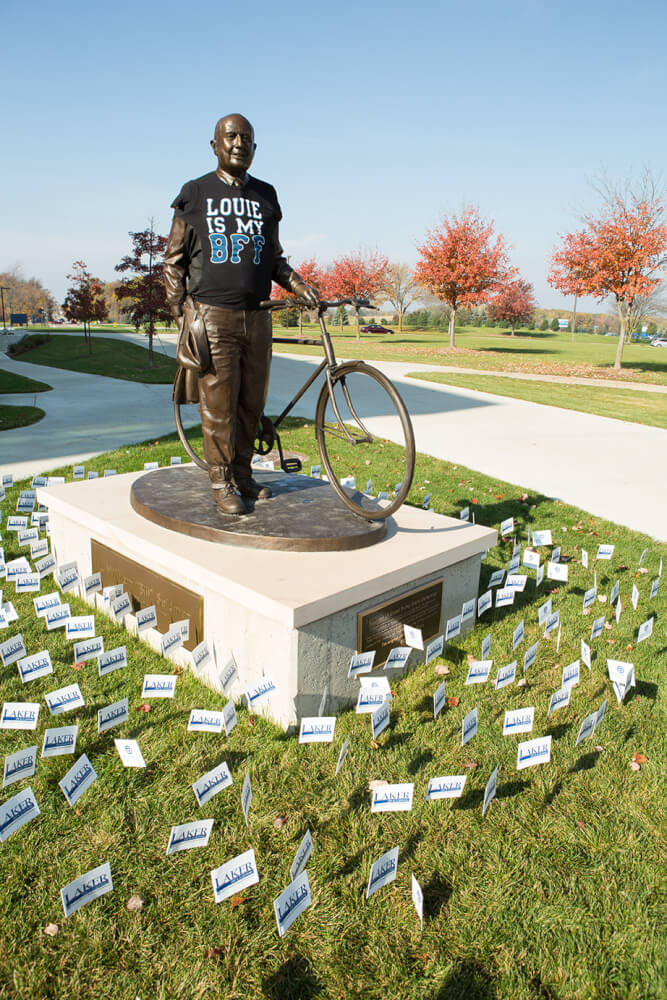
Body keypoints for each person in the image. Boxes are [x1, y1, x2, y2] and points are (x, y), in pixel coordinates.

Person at [164, 113, 319, 514]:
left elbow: (275, 261)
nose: (238, 144)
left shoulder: (266, 195)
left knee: (251, 403)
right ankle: (221, 481)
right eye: (230, 137)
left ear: (255, 147)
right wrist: (182, 312)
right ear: (215, 145)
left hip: (258, 317)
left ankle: (243, 473)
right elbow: (173, 263)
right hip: (214, 318)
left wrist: (300, 285)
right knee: (218, 405)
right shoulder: (195, 193)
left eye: (246, 138)